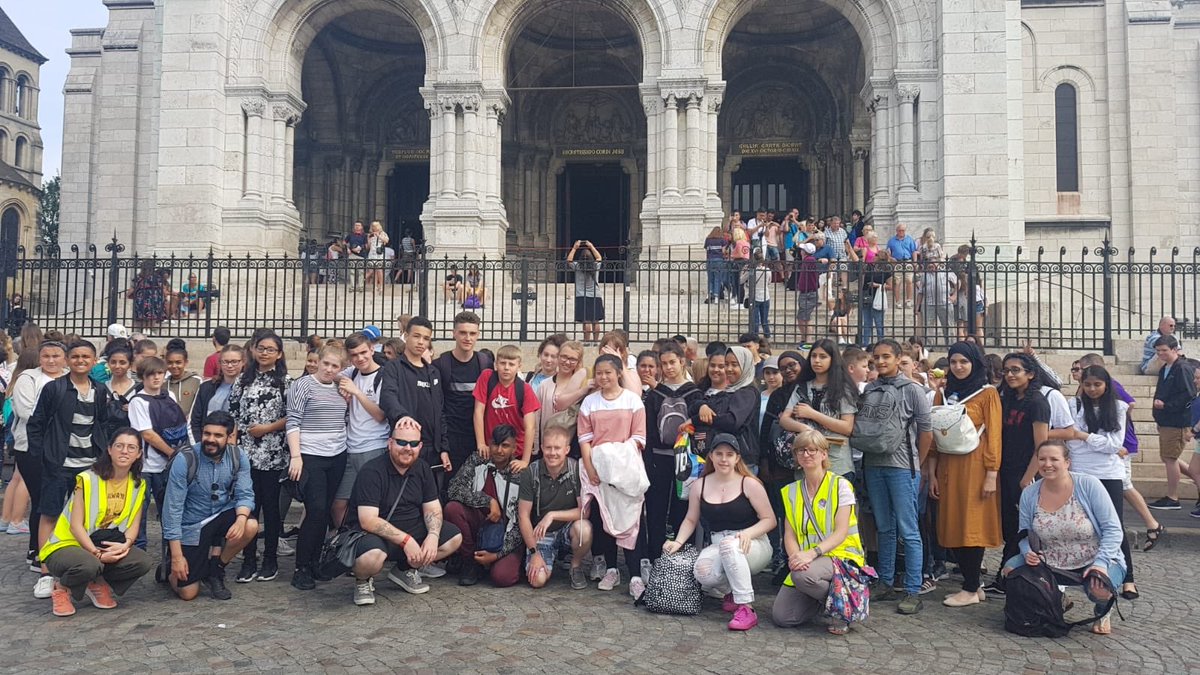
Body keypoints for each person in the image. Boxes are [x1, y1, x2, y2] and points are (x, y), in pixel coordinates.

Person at [1001, 441, 1124, 635]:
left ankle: (1102, 611)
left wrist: (1101, 563)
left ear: (1067, 462)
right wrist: (1028, 553)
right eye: (1042, 459)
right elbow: (1023, 532)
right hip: (1049, 558)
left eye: (1054, 459)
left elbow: (1113, 529)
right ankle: (1054, 598)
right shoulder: (1030, 493)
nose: (1047, 464)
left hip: (1094, 558)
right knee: (1010, 569)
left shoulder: (1088, 485)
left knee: (1100, 590)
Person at [27, 341, 114, 599]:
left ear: (94, 360)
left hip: (89, 465)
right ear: (67, 360)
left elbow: (103, 422)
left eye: (85, 356)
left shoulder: (99, 390)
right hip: (58, 463)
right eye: (75, 356)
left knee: (86, 519)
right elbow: (36, 424)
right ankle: (45, 571)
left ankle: (85, 569)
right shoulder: (54, 388)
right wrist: (41, 455)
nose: (79, 360)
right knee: (50, 514)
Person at [664, 433, 776, 631]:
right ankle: (731, 590)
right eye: (719, 454)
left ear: (737, 458)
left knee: (729, 546)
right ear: (711, 456)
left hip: (752, 543)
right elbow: (691, 518)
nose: (724, 459)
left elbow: (769, 520)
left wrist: (748, 533)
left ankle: (746, 606)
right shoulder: (700, 485)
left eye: (729, 454)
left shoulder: (749, 483)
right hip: (719, 543)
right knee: (703, 573)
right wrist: (678, 542)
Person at [38, 428, 154, 616]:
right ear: (109, 449)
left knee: (142, 561)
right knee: (90, 564)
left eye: (131, 447)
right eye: (119, 446)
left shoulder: (138, 484)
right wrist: (97, 555)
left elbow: (134, 525)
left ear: (139, 454)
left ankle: (96, 582)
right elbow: (75, 526)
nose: (125, 451)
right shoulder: (87, 479)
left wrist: (125, 545)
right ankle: (62, 587)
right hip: (67, 545)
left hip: (102, 541)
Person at [345, 422, 463, 605]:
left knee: (453, 538)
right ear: (390, 443)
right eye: (401, 442)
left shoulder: (422, 468)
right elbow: (368, 520)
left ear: (420, 446)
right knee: (372, 557)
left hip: (412, 526)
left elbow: (432, 507)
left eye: (414, 444)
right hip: (376, 534)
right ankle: (362, 580)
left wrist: (432, 535)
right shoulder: (372, 471)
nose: (408, 448)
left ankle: (405, 569)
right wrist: (406, 541)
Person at [925, 342, 1002, 607]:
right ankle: (974, 585)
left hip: (975, 465)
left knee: (972, 524)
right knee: (952, 523)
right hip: (948, 465)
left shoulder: (988, 393)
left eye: (964, 362)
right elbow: (934, 435)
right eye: (954, 361)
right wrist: (932, 473)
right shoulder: (944, 393)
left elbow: (994, 435)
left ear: (975, 363)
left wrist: (992, 473)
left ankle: (969, 587)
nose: (958, 367)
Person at [772, 428, 868, 634]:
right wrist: (795, 556)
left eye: (813, 450)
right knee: (783, 617)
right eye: (801, 450)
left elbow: (841, 532)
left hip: (841, 555)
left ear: (824, 454)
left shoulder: (840, 485)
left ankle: (843, 608)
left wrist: (811, 554)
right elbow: (789, 533)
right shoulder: (791, 491)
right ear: (796, 456)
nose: (807, 454)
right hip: (807, 560)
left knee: (801, 576)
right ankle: (825, 602)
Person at [861, 339, 933, 615]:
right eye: (876, 357)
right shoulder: (870, 388)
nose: (880, 361)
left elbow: (926, 431)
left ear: (899, 358)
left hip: (903, 467)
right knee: (883, 527)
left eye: (886, 357)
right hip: (874, 463)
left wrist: (919, 461)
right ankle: (886, 581)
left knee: (908, 529)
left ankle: (913, 589)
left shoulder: (913, 390)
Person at [163, 411, 258, 601]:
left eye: (218, 435)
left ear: (230, 437)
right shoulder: (186, 459)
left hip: (222, 514)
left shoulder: (239, 456)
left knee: (250, 525)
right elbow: (172, 509)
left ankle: (215, 569)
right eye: (207, 434)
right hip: (192, 524)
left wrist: (240, 520)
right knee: (188, 593)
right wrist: (176, 556)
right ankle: (168, 568)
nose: (210, 440)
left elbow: (245, 494)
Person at [578, 354, 648, 594]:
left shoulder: (633, 401)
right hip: (599, 473)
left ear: (619, 373)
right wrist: (590, 467)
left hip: (626, 472)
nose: (603, 377)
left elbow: (638, 437)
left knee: (631, 520)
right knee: (604, 519)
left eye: (608, 372)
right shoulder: (590, 403)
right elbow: (585, 439)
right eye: (599, 373)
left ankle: (635, 574)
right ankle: (611, 570)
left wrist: (615, 457)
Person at [1066, 365, 1137, 599]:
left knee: (1114, 523)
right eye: (1087, 385)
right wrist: (1092, 441)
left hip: (1109, 473)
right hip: (1081, 471)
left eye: (1097, 384)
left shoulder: (1118, 407)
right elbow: (1070, 438)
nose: (1092, 389)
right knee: (1081, 523)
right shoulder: (1073, 406)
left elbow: (1114, 444)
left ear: (1106, 384)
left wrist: (1084, 436)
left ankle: (1128, 578)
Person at [983, 352, 1051, 595]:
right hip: (1005, 469)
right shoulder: (1006, 399)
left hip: (1024, 473)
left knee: (1020, 528)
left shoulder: (1037, 403)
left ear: (1030, 374)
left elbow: (1040, 446)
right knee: (1009, 526)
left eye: (1016, 370)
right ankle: (1006, 575)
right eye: (1007, 370)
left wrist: (1027, 478)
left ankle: (1009, 577)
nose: (1010, 375)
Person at [285, 344, 350, 590]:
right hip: (311, 455)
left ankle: (314, 562)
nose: (329, 370)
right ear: (318, 362)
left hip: (337, 453)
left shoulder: (341, 387)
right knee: (316, 509)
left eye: (335, 366)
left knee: (325, 513)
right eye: (326, 364)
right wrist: (296, 455)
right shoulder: (302, 385)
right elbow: (293, 420)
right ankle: (301, 566)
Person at [228, 333, 291, 583]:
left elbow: (293, 416)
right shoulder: (243, 380)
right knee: (247, 507)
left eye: (270, 349)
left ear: (279, 353)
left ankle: (270, 558)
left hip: (273, 454)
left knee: (272, 510)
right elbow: (232, 413)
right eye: (261, 348)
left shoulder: (286, 382)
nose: (265, 353)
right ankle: (249, 557)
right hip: (246, 454)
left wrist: (267, 428)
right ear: (253, 350)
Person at [9, 341, 66, 576]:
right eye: (46, 356)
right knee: (42, 498)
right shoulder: (28, 379)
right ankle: (36, 549)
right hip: (31, 447)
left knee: (58, 500)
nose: (51, 361)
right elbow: (26, 411)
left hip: (64, 448)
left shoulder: (69, 377)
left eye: (56, 356)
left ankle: (56, 547)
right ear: (39, 358)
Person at [642, 342, 703, 558]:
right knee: (656, 507)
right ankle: (655, 556)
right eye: (664, 363)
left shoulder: (695, 393)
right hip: (659, 457)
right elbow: (648, 430)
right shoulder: (655, 394)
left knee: (684, 506)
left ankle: (682, 555)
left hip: (686, 458)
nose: (668, 367)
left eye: (672, 362)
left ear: (682, 362)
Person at [445, 425, 524, 586]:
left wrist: (497, 555)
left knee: (503, 577)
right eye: (495, 444)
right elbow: (454, 489)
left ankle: (508, 561)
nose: (499, 450)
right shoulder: (477, 459)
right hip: (477, 524)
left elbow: (521, 523)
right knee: (452, 509)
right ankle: (470, 561)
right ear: (489, 443)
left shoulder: (520, 473)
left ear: (514, 448)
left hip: (506, 532)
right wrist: (488, 501)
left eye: (505, 446)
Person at [517, 424, 591, 589]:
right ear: (542, 447)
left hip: (567, 528)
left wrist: (551, 515)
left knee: (584, 529)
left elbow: (584, 512)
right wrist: (534, 552)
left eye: (557, 448)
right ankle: (544, 556)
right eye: (548, 448)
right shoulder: (531, 472)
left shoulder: (576, 470)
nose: (552, 453)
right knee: (538, 580)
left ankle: (575, 565)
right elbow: (523, 516)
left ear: (567, 449)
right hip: (542, 533)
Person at [331, 333, 391, 529]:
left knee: (372, 504)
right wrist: (343, 388)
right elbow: (333, 373)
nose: (360, 358)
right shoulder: (352, 373)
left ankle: (372, 546)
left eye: (363, 352)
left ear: (372, 350)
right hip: (350, 447)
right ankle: (345, 540)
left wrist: (356, 392)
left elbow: (381, 415)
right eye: (354, 355)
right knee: (339, 503)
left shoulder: (383, 375)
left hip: (374, 445)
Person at [781, 339, 857, 479]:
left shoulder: (843, 388)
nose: (816, 360)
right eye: (813, 356)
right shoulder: (802, 387)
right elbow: (785, 419)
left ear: (833, 359)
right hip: (807, 461)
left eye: (823, 357)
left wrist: (813, 414)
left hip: (837, 462)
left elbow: (847, 427)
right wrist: (806, 429)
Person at [434, 312, 492, 481]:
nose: (468, 338)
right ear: (454, 333)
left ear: (478, 335)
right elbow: (437, 408)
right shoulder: (440, 365)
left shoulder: (485, 363)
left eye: (472, 333)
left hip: (479, 438)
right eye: (463, 333)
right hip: (452, 438)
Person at [1148, 336, 1200, 510]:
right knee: (1169, 457)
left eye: (1164, 350)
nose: (1161, 354)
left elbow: (1189, 394)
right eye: (1158, 351)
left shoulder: (1182, 368)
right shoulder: (1166, 367)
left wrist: (1167, 406)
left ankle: (1173, 497)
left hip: (1177, 421)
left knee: (1170, 458)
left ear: (1174, 349)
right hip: (1166, 419)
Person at [473, 345, 541, 471]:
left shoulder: (525, 389)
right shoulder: (487, 378)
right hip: (491, 448)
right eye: (503, 363)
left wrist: (525, 460)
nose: (506, 368)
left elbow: (530, 427)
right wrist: (481, 443)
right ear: (496, 364)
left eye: (511, 364)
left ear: (519, 366)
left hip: (516, 451)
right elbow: (478, 411)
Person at [535, 340, 589, 443]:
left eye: (572, 359)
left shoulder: (583, 384)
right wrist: (536, 445)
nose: (567, 362)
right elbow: (536, 418)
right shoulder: (544, 385)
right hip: (547, 441)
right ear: (558, 356)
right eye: (564, 356)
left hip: (572, 442)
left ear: (579, 362)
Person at [190, 345, 244, 442]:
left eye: (234, 362)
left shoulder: (248, 389)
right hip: (208, 444)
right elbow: (194, 421)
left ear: (243, 362)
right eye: (225, 362)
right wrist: (199, 445)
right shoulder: (206, 387)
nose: (230, 366)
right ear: (219, 363)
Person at [916, 255, 957, 348]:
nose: (931, 266)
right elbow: (921, 292)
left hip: (945, 303)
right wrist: (917, 306)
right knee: (929, 326)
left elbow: (957, 283)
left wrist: (954, 296)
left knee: (948, 325)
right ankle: (929, 346)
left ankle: (951, 346)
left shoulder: (946, 272)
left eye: (933, 264)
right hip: (929, 304)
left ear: (938, 264)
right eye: (929, 264)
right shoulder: (924, 276)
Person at [568, 240, 605, 342]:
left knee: (586, 320)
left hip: (581, 295)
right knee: (596, 320)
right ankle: (596, 341)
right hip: (595, 295)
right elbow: (599, 258)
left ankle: (587, 340)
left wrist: (575, 247)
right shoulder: (595, 266)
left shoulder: (578, 266)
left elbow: (569, 260)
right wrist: (591, 246)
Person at [858, 250, 894, 347]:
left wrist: (877, 285)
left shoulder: (887, 270)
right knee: (866, 323)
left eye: (876, 255)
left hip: (877, 298)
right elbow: (858, 264)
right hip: (866, 296)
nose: (874, 256)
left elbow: (891, 286)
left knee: (879, 323)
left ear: (881, 258)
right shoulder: (869, 267)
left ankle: (881, 343)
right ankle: (865, 343)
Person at [164, 344, 202, 433]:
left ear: (185, 362)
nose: (174, 366)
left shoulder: (196, 381)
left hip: (191, 429)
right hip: (169, 430)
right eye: (170, 362)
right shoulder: (163, 384)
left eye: (178, 362)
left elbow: (200, 405)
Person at [129, 260, 170, 329]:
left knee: (143, 313)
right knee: (153, 313)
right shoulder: (157, 277)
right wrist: (164, 296)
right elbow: (162, 287)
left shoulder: (139, 277)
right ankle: (149, 328)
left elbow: (133, 287)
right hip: (155, 296)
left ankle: (144, 328)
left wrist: (128, 295)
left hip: (142, 296)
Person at [887, 223, 918, 308]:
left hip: (907, 261)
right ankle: (897, 302)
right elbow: (888, 252)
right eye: (899, 230)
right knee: (897, 282)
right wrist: (890, 258)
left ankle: (909, 300)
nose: (901, 232)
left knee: (909, 280)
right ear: (896, 231)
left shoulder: (909, 239)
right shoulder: (891, 241)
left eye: (903, 230)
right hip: (897, 262)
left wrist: (914, 262)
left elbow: (914, 251)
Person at [745, 251, 772, 338]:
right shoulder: (767, 270)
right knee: (764, 319)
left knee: (755, 319)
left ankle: (755, 335)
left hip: (754, 296)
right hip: (765, 295)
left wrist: (743, 270)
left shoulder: (751, 271)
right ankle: (767, 335)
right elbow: (769, 282)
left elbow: (741, 280)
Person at [704, 226, 728, 304]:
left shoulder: (708, 240)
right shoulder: (722, 240)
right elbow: (723, 251)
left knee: (710, 278)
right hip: (719, 260)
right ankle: (716, 297)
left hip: (710, 260)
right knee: (717, 278)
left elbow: (707, 250)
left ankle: (709, 294)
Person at [365, 220, 390, 294]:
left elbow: (386, 241)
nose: (374, 227)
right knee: (374, 270)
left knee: (379, 270)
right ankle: (375, 286)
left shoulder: (383, 233)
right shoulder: (370, 235)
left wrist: (378, 236)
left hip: (379, 253)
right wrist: (369, 240)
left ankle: (381, 286)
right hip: (372, 253)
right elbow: (369, 246)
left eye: (376, 226)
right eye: (373, 226)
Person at [345, 221, 368, 291]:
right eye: (356, 225)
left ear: (361, 227)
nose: (357, 227)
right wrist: (348, 249)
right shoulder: (350, 235)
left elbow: (366, 245)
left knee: (361, 272)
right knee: (352, 271)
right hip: (352, 254)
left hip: (361, 255)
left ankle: (361, 287)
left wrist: (360, 248)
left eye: (359, 225)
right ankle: (352, 286)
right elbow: (344, 242)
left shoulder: (364, 235)